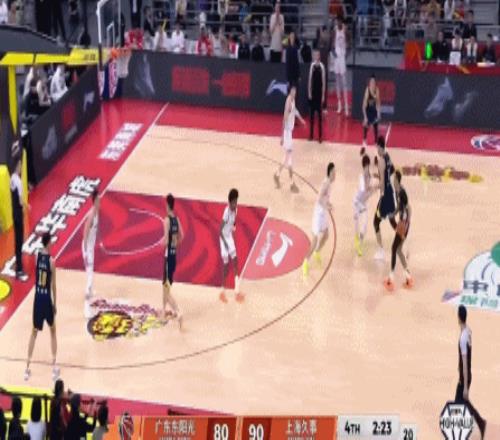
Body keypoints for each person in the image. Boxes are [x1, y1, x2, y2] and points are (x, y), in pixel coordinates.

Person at [25, 232, 59, 382]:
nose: (53, 243)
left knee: (33, 332)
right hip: (46, 298)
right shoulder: (52, 261)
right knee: (53, 330)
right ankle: (54, 367)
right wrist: (55, 303)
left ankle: (27, 368)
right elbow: (53, 285)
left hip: (37, 297)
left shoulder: (37, 257)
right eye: (51, 241)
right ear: (48, 242)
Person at [455, 305, 487, 439]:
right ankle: (479, 423)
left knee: (460, 403)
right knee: (460, 403)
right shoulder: (468, 331)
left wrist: (465, 387)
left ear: (458, 317)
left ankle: (480, 423)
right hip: (465, 375)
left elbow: (464, 362)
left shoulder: (463, 338)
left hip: (465, 376)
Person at [302, 162, 335, 276]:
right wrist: (326, 206)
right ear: (330, 173)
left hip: (323, 213)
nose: (335, 174)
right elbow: (319, 199)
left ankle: (317, 252)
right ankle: (305, 262)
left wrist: (329, 204)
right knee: (314, 240)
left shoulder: (330, 184)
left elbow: (325, 199)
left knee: (326, 235)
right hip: (318, 215)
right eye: (334, 172)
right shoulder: (325, 184)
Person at [383, 171, 413, 290]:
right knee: (399, 250)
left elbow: (406, 208)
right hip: (403, 223)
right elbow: (400, 208)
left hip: (403, 224)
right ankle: (408, 276)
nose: (392, 180)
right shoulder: (398, 190)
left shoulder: (401, 193)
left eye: (394, 178)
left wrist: (404, 224)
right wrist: (393, 214)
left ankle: (391, 278)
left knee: (394, 248)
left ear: (396, 180)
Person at [274, 86, 305, 192]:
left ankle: (277, 175)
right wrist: (282, 136)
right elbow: (284, 119)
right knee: (289, 158)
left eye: (295, 92)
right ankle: (292, 183)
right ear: (290, 92)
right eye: (293, 92)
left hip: (289, 133)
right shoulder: (288, 103)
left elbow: (295, 111)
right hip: (287, 133)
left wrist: (301, 119)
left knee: (286, 158)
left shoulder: (293, 100)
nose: (294, 94)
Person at [373, 136, 398, 260]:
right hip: (390, 192)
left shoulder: (381, 160)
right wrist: (380, 175)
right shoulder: (387, 156)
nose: (376, 149)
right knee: (392, 220)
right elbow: (392, 170)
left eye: (376, 147)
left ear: (379, 146)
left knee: (375, 222)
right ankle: (404, 240)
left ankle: (381, 251)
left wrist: (374, 187)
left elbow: (382, 183)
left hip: (384, 195)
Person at [162, 194, 183, 328]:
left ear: (167, 205)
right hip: (174, 256)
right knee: (166, 286)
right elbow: (182, 235)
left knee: (166, 290)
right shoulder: (177, 219)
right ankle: (164, 311)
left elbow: (165, 240)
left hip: (168, 257)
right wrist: (175, 246)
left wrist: (163, 245)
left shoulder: (167, 220)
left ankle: (178, 311)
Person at [219, 189, 244, 303]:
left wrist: (233, 229)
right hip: (223, 238)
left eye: (236, 202)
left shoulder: (236, 210)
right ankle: (222, 291)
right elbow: (220, 230)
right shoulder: (226, 213)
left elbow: (234, 222)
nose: (236, 204)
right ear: (230, 202)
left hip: (229, 237)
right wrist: (225, 243)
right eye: (234, 202)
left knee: (235, 262)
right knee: (226, 265)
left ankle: (237, 291)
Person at [353, 148, 377, 256]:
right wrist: (375, 186)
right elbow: (365, 189)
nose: (369, 168)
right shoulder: (361, 177)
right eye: (368, 166)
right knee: (357, 225)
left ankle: (360, 244)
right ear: (365, 166)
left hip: (364, 203)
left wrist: (377, 183)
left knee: (365, 224)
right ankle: (356, 240)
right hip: (356, 203)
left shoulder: (369, 175)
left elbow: (369, 190)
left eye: (369, 166)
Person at [10, 156, 29, 281]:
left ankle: (18, 265)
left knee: (17, 240)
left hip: (14, 213)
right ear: (17, 165)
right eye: (20, 165)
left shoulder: (12, 178)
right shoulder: (18, 181)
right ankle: (19, 270)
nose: (21, 167)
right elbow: (21, 201)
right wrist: (27, 206)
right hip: (18, 214)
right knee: (19, 241)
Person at [82, 189, 100, 318]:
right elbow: (85, 232)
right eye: (98, 200)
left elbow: (95, 230)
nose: (100, 202)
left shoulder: (97, 213)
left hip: (91, 247)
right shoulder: (91, 215)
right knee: (90, 276)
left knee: (91, 274)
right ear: (94, 201)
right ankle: (86, 310)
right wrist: (85, 252)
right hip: (87, 249)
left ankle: (90, 292)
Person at [308, 49, 325, 143]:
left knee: (320, 117)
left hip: (319, 94)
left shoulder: (322, 67)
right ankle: (311, 135)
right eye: (315, 55)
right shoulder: (312, 66)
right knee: (311, 116)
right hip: (313, 93)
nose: (316, 56)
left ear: (319, 56)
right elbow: (310, 80)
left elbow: (323, 82)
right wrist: (309, 92)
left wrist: (323, 96)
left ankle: (320, 136)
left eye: (317, 55)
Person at [333, 17, 349, 116]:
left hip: (342, 57)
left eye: (339, 21)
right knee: (337, 82)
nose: (337, 23)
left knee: (344, 83)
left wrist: (346, 54)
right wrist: (333, 53)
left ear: (341, 22)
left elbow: (349, 41)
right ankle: (339, 104)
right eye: (336, 22)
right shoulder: (335, 30)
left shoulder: (344, 29)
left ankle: (346, 105)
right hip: (337, 58)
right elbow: (332, 43)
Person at [362, 75, 381, 147]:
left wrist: (378, 113)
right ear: (369, 83)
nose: (372, 83)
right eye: (371, 82)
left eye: (374, 82)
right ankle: (364, 140)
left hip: (374, 110)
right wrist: (365, 117)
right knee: (366, 124)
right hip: (367, 110)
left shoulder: (377, 90)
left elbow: (378, 103)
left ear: (375, 83)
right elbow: (363, 106)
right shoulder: (367, 90)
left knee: (375, 125)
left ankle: (376, 142)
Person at [317, 25, 331, 112]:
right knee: (318, 86)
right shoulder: (319, 42)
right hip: (319, 67)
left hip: (325, 68)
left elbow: (329, 47)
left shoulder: (327, 42)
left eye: (325, 32)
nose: (324, 34)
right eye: (322, 32)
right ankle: (318, 104)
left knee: (324, 87)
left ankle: (324, 105)